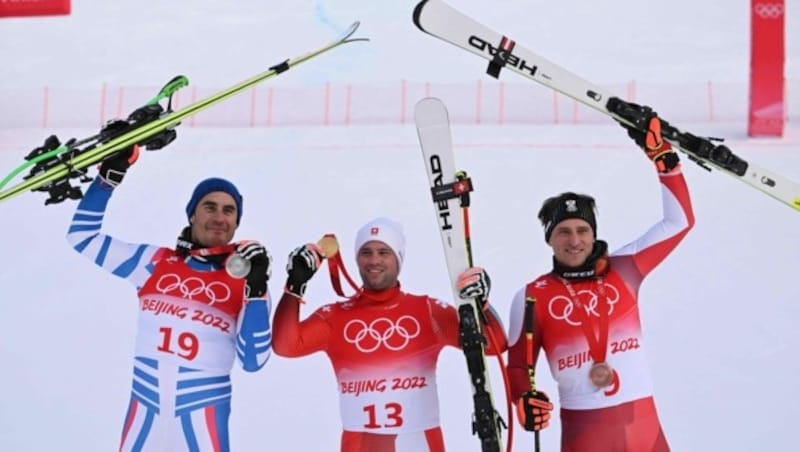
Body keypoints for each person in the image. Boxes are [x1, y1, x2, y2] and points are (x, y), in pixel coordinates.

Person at [506, 113, 695, 451]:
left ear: (594, 235)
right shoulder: (533, 296)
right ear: (549, 239)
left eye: (582, 230)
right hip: (585, 433)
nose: (574, 240)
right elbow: (519, 365)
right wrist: (524, 399)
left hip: (644, 430)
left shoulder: (625, 269)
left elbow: (679, 222)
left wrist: (665, 163)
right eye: (563, 231)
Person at [66, 146, 273, 452]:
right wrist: (106, 181)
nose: (219, 217)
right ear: (192, 214)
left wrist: (256, 289)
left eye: (229, 211)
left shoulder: (247, 280)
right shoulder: (153, 262)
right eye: (210, 207)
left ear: (237, 223)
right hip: (145, 413)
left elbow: (254, 361)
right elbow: (82, 237)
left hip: (203, 415)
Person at [272, 217, 508, 452]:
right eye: (366, 252)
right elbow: (285, 346)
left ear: (398, 258)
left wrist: (482, 304)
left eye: (384, 252)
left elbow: (495, 344)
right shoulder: (335, 316)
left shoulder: (427, 310)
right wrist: (295, 285)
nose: (374, 260)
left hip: (421, 444)